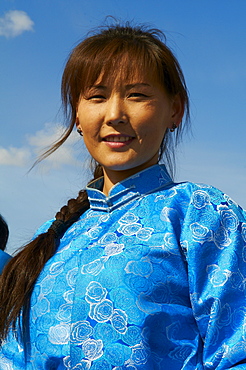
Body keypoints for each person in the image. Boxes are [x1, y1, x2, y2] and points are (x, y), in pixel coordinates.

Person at [0, 22, 246, 370]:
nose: (114, 114)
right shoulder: (51, 238)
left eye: (137, 95)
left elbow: (238, 350)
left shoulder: (201, 214)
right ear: (78, 115)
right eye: (97, 97)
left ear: (174, 110)